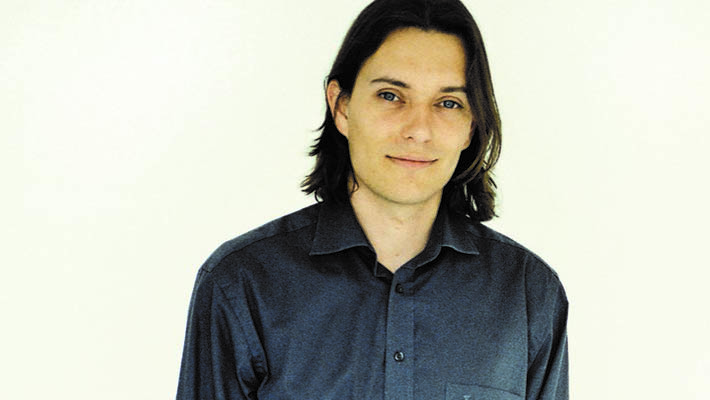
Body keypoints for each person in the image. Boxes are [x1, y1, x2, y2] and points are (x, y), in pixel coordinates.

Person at [177, 0, 569, 399]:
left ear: (471, 126)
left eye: (448, 103)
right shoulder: (242, 283)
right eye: (390, 95)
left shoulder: (529, 294)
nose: (418, 130)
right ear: (341, 107)